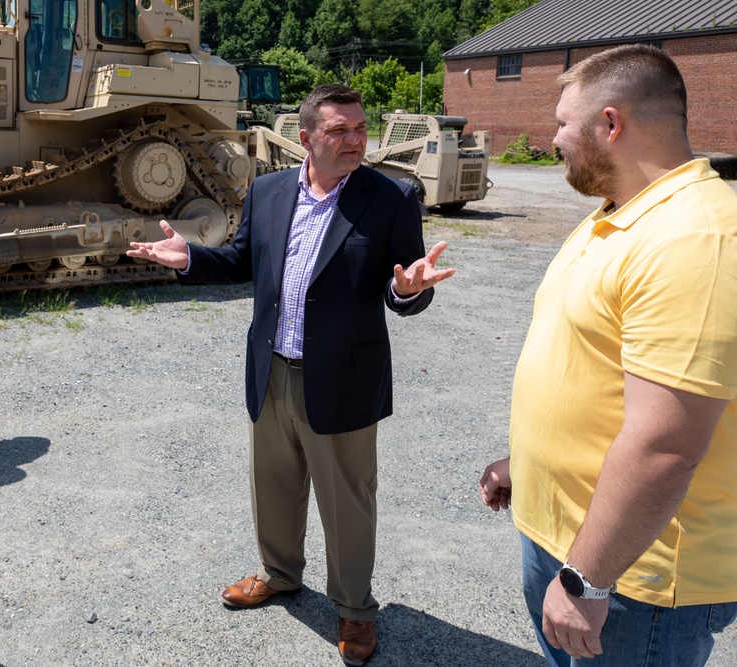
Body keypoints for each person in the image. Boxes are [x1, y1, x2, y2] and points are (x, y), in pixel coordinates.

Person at [128, 83, 454, 666]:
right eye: (340, 131)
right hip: (273, 367)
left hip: (343, 378)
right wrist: (191, 259)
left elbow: (406, 281)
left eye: (360, 128)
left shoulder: (390, 198)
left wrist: (405, 292)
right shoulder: (269, 190)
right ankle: (279, 573)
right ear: (306, 139)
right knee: (273, 485)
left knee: (347, 502)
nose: (356, 140)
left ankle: (355, 610)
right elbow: (242, 260)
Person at [479, 44, 737, 667]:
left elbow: (665, 444)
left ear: (611, 123)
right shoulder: (620, 214)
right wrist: (529, 460)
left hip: (630, 577)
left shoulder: (694, 237)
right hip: (574, 541)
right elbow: (588, 365)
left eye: (563, 123)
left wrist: (586, 580)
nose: (552, 139)